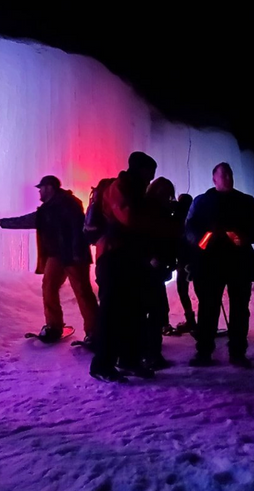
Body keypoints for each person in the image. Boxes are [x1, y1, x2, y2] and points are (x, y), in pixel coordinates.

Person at [0, 175, 99, 346]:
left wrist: (76, 253)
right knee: (49, 287)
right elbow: (33, 220)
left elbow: (76, 228)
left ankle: (95, 333)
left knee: (82, 292)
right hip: (57, 255)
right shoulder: (48, 208)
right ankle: (53, 326)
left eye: (41, 188)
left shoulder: (68, 203)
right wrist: (6, 223)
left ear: (50, 188)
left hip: (73, 256)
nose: (39, 192)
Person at [90, 151, 160, 382]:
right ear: (139, 169)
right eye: (149, 174)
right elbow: (129, 218)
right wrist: (155, 218)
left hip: (130, 258)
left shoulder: (137, 190)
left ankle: (129, 359)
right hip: (112, 258)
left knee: (134, 311)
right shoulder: (119, 187)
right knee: (111, 313)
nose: (150, 179)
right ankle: (102, 364)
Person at [185, 162, 254, 368]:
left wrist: (242, 236)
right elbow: (190, 229)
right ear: (214, 179)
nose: (228, 178)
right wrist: (205, 239)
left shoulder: (246, 201)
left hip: (239, 263)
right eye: (224, 175)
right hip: (210, 264)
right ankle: (204, 351)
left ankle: (237, 352)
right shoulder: (202, 202)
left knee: (239, 309)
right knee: (208, 309)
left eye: (230, 175)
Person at [141, 177, 180, 369]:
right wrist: (150, 257)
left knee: (156, 311)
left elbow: (171, 239)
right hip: (149, 268)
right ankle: (150, 354)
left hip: (157, 267)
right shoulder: (150, 212)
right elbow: (143, 237)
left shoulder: (164, 212)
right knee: (152, 311)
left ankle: (152, 352)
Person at [166, 193, 197, 336]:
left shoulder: (177, 218)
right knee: (198, 290)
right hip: (194, 259)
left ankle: (191, 320)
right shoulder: (193, 218)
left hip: (184, 259)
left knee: (183, 289)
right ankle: (197, 321)